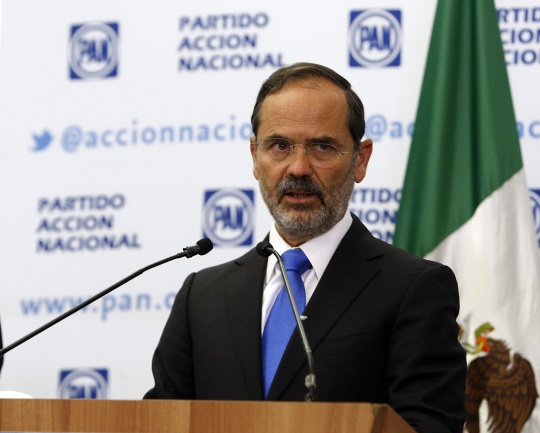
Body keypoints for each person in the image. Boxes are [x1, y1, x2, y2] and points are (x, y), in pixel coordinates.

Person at [145, 62, 466, 433]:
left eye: (322, 147)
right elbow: (161, 423)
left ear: (360, 160)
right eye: (279, 146)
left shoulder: (414, 288)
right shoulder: (202, 297)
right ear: (254, 156)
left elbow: (429, 424)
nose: (298, 167)